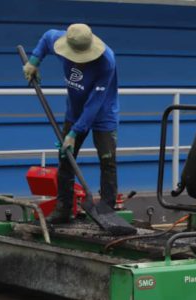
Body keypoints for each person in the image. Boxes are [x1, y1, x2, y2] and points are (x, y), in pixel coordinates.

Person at [23, 23, 120, 224]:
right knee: (65, 159)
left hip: (103, 113)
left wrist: (74, 133)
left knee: (107, 160)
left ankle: (108, 210)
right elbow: (46, 36)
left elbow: (95, 103)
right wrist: (33, 62)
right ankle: (63, 208)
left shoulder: (106, 61)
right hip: (74, 111)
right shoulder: (59, 40)